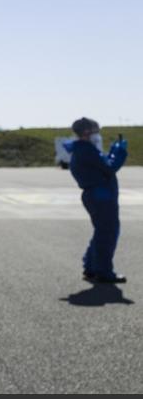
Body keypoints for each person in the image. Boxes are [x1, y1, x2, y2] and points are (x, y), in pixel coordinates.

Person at [68, 117, 129, 284]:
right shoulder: (86, 150)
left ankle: (92, 268)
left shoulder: (85, 149)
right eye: (96, 130)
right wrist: (119, 152)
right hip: (100, 195)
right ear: (87, 132)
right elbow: (109, 168)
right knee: (107, 233)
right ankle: (103, 272)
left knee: (102, 232)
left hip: (98, 194)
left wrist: (111, 154)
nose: (98, 134)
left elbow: (102, 165)